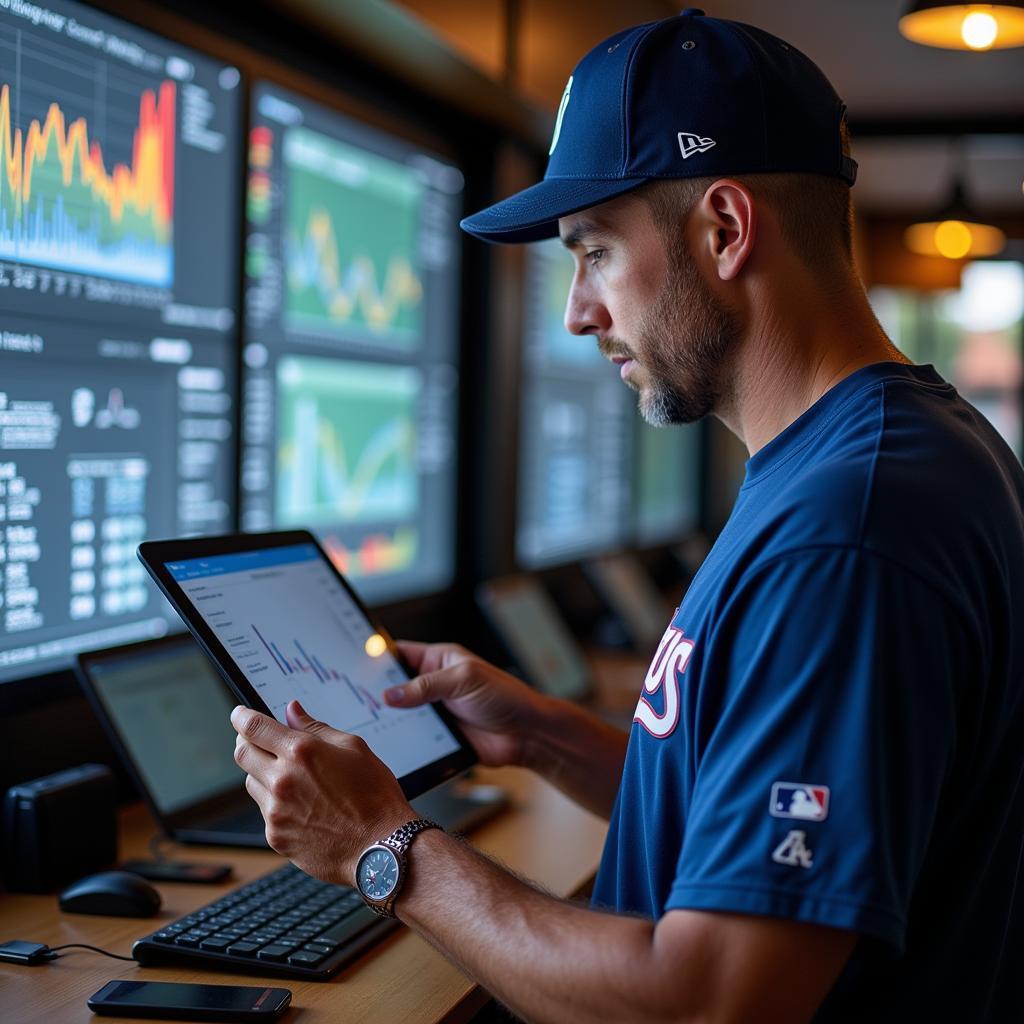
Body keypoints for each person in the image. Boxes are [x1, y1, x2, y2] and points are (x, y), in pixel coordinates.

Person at [231, 10, 1024, 1022]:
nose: (576, 311)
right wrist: (547, 733)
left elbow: (710, 1002)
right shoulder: (879, 452)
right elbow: (757, 817)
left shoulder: (847, 532)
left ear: (726, 230)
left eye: (594, 250)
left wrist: (386, 851)